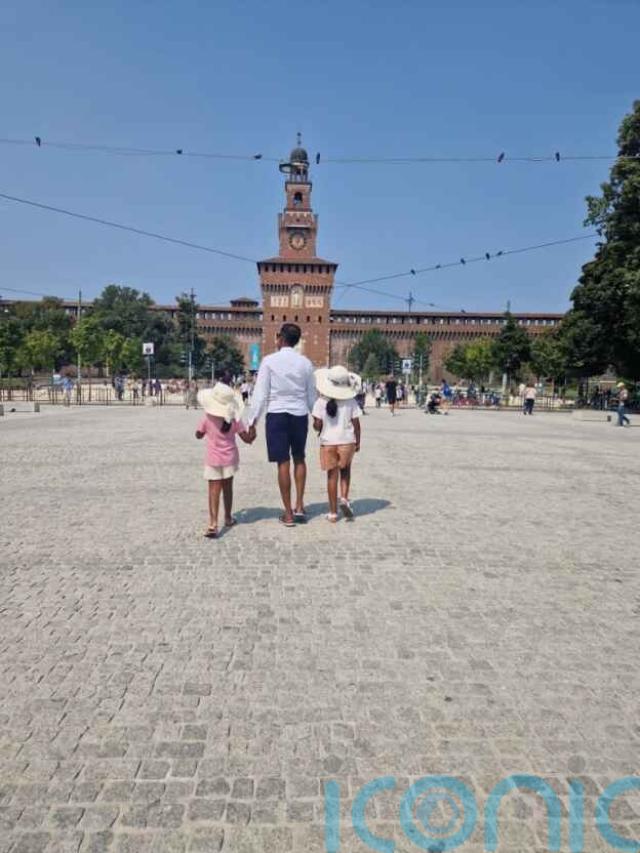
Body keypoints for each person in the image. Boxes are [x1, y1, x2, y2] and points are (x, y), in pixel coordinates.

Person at [248, 323, 316, 527]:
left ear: (280, 338)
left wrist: (252, 421)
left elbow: (260, 394)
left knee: (283, 462)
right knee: (300, 458)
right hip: (299, 414)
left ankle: (288, 514)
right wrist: (317, 416)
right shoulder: (306, 363)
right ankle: (300, 506)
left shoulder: (269, 361)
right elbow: (311, 395)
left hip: (277, 414)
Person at [195, 382, 254, 539]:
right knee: (228, 488)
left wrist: (203, 432)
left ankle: (213, 524)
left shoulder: (207, 417)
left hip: (213, 458)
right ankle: (228, 517)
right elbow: (247, 438)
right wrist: (252, 430)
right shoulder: (234, 419)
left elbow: (198, 434)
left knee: (213, 490)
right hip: (229, 457)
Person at [312, 365, 362, 522]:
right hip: (347, 441)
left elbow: (317, 426)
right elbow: (356, 424)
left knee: (331, 476)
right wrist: (358, 442)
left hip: (328, 442)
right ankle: (344, 499)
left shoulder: (320, 402)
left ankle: (333, 513)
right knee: (345, 471)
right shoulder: (350, 401)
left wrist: (317, 423)